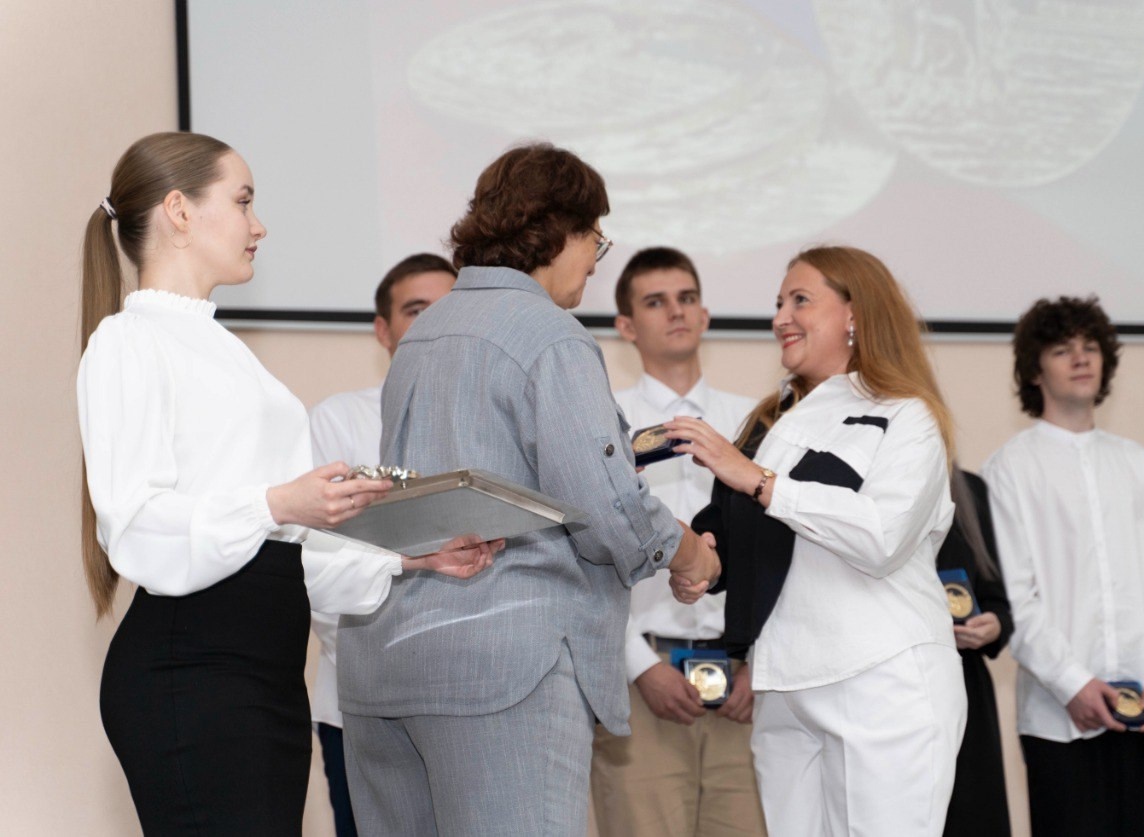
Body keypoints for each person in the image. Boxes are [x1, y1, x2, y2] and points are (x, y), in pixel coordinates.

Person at [76, 132, 497, 836]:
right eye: (243, 201)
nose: (259, 225)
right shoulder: (128, 341)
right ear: (179, 211)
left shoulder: (228, 353)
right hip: (193, 671)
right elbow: (137, 527)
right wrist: (279, 501)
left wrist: (411, 559)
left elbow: (287, 550)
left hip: (264, 672)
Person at [338, 143, 722, 836]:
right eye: (594, 237)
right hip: (505, 668)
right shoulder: (550, 335)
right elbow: (604, 505)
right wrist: (690, 553)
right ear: (558, 230)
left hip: (390, 662)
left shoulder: (425, 334)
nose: (595, 260)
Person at [670, 245, 966, 836]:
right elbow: (736, 537)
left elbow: (880, 536)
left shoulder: (906, 416)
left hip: (883, 679)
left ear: (856, 312)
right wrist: (698, 562)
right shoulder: (769, 423)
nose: (781, 317)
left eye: (800, 300)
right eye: (779, 303)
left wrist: (757, 479)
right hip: (782, 686)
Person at [983, 296, 1144, 837]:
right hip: (1060, 719)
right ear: (1035, 370)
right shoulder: (1009, 469)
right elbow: (1018, 600)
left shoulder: (1140, 464)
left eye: (1090, 347)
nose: (1081, 358)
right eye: (1062, 350)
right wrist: (1073, 683)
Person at [590, 247, 766, 836]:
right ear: (625, 325)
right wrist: (639, 667)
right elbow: (584, 555)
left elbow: (777, 555)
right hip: (642, 680)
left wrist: (759, 662)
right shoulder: (604, 422)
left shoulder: (754, 421)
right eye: (656, 301)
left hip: (745, 685)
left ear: (706, 314)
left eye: (687, 298)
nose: (676, 311)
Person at [307, 253, 457, 837]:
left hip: (473, 700)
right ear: (383, 329)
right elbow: (318, 558)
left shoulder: (498, 418)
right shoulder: (339, 420)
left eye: (447, 309)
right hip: (361, 705)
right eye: (415, 310)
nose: (432, 323)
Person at [936, 469, 1013, 837]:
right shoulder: (871, 483)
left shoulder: (969, 489)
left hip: (966, 687)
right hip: (895, 687)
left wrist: (995, 624)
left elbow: (996, 597)